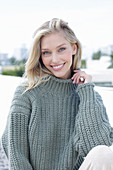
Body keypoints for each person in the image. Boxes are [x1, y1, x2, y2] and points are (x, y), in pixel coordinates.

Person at [1, 18, 113, 170]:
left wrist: (86, 92)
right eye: (46, 52)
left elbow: (94, 148)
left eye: (61, 49)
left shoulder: (89, 96)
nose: (54, 59)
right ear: (39, 56)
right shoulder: (27, 92)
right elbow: (16, 153)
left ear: (74, 48)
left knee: (102, 153)